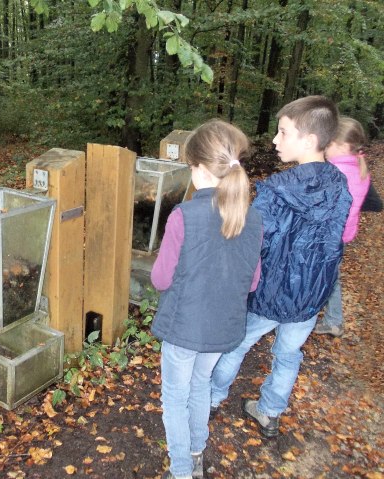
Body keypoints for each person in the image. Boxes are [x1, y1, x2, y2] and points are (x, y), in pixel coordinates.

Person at [210, 96, 352, 438]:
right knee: (289, 353)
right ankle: (270, 411)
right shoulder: (340, 187)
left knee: (236, 345)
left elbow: (252, 244)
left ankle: (211, 398)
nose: (275, 140)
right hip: (310, 296)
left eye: (283, 132)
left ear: (309, 140)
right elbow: (336, 243)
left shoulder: (277, 191)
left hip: (270, 292)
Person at [151, 120, 263, 479]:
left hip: (184, 329)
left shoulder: (184, 215)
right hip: (223, 326)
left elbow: (160, 278)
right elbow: (253, 281)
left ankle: (182, 471)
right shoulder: (253, 217)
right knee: (200, 385)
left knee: (174, 396)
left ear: (198, 168)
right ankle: (196, 453)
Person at [314, 117, 370, 337]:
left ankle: (333, 319)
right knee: (331, 275)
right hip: (341, 234)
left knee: (328, 276)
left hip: (330, 235)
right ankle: (332, 318)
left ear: (343, 146)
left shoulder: (336, 172)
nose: (325, 148)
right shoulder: (358, 166)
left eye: (328, 144)